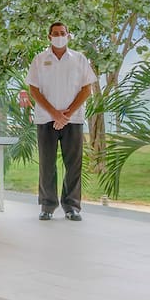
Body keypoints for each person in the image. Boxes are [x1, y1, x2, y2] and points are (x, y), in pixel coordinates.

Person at [24, 21, 94, 221]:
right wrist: (54, 114)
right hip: (46, 119)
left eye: (62, 33)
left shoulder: (79, 59)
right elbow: (34, 90)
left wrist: (67, 114)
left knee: (73, 164)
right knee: (47, 163)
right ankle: (47, 206)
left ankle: (72, 206)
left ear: (68, 35)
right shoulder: (39, 60)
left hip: (73, 120)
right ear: (49, 37)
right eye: (55, 33)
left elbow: (86, 90)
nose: (59, 36)